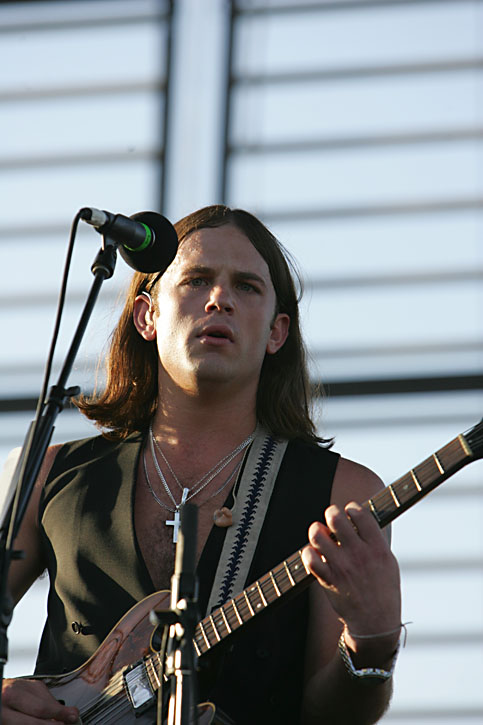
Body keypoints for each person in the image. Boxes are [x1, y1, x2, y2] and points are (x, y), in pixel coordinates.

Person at [2, 205, 401, 724]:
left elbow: (333, 718)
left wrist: (371, 647)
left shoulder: (340, 494)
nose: (220, 299)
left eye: (247, 287)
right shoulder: (49, 474)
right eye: (196, 280)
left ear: (277, 332)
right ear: (147, 316)